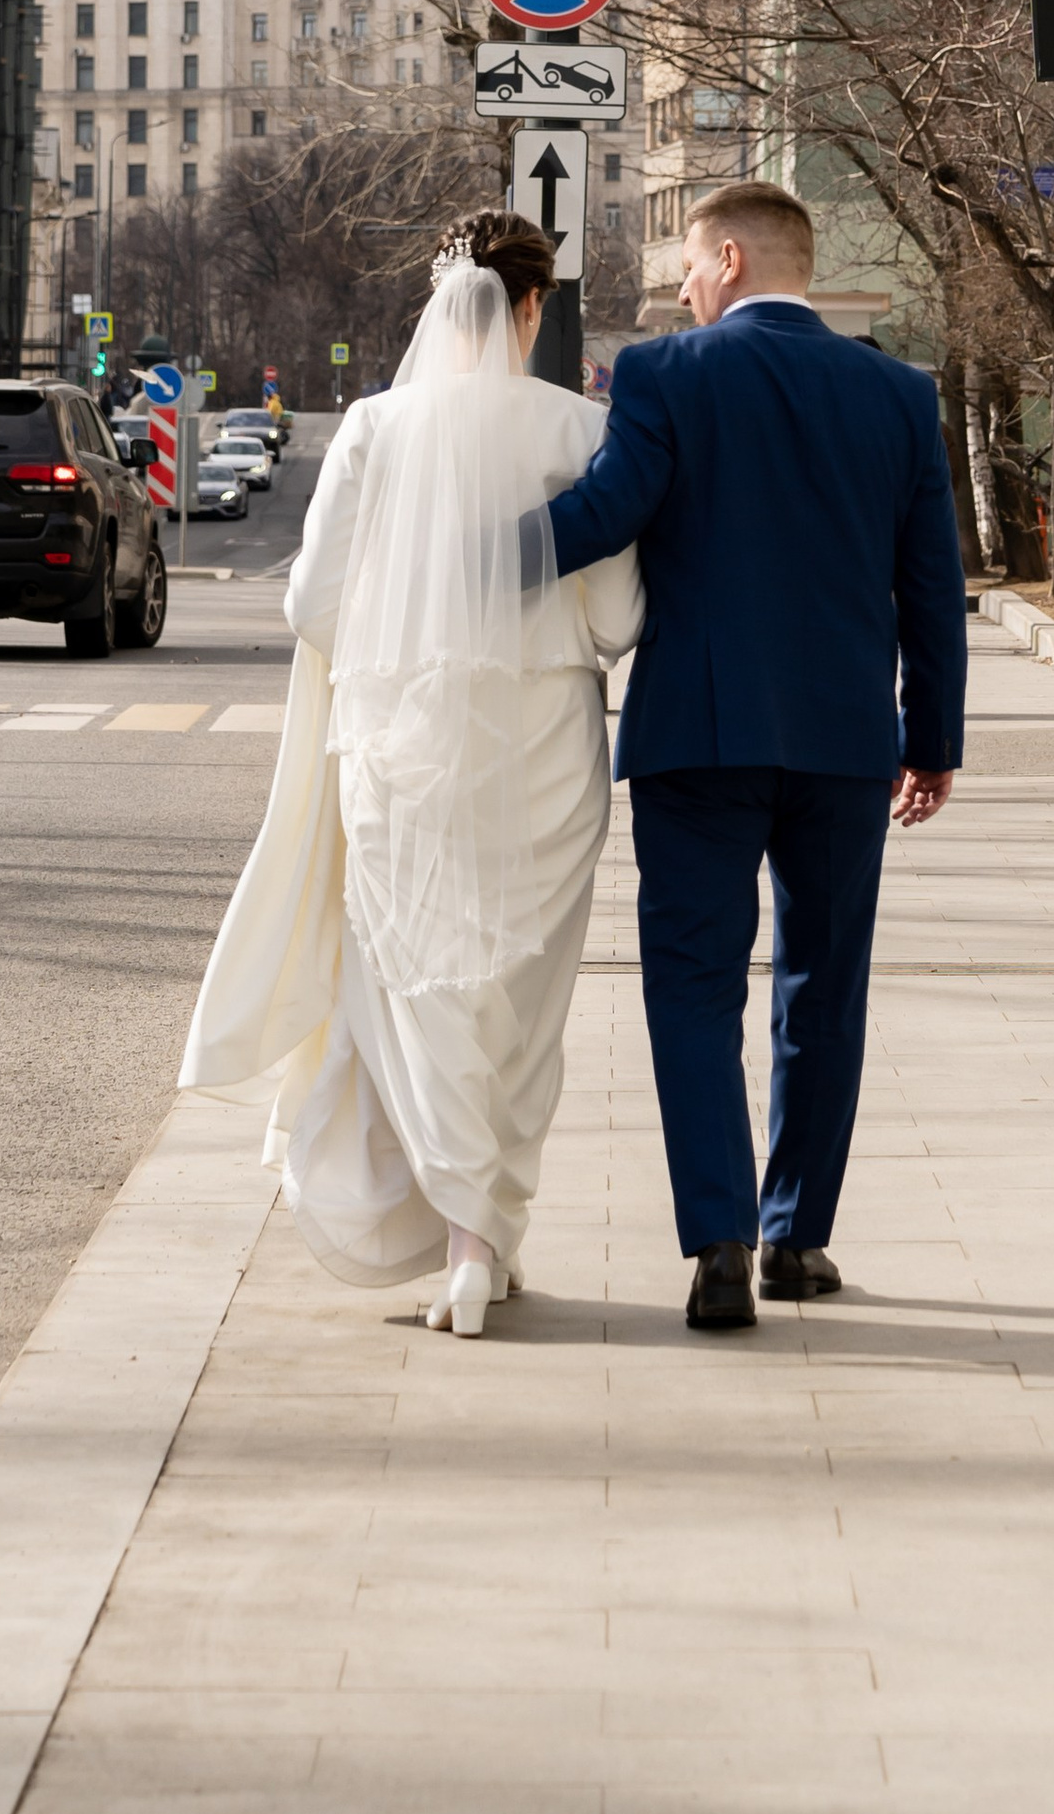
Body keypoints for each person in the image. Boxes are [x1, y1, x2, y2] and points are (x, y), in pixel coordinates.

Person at [179, 215, 641, 1337]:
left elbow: (311, 605)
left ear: (438, 304)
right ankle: (490, 1237)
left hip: (403, 742)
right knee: (522, 996)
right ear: (531, 307)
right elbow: (619, 621)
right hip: (543, 740)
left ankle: (466, 1242)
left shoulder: (376, 427)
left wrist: (406, 628)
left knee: (419, 981)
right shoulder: (583, 428)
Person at [544, 178, 966, 1332]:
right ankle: (796, 1236)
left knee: (691, 989)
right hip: (844, 744)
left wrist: (464, 547)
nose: (683, 288)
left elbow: (604, 514)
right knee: (822, 986)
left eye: (687, 265)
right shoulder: (897, 395)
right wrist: (930, 741)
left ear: (727, 259)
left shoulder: (665, 375)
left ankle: (719, 1244)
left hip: (697, 737)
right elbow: (932, 587)